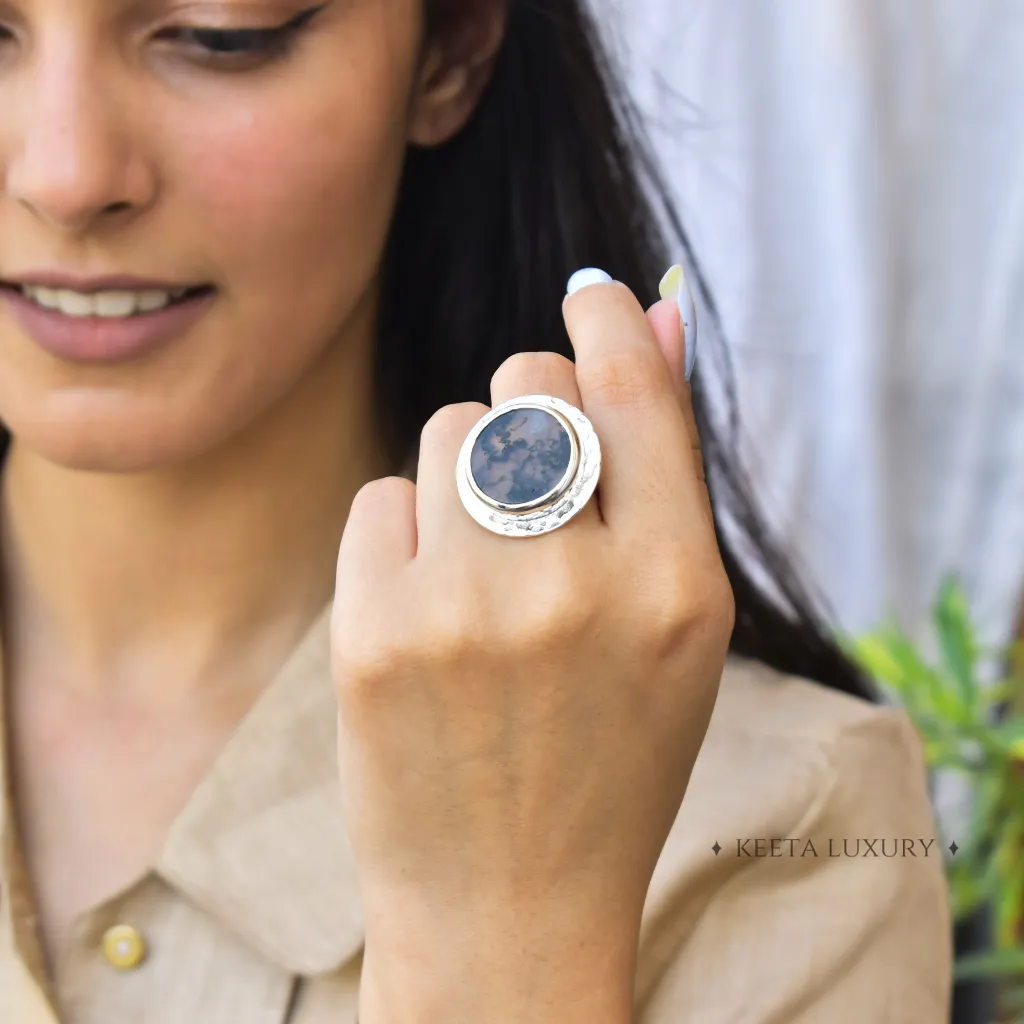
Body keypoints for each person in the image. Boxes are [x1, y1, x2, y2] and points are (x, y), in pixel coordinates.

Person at [0, 2, 950, 1022]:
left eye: (223, 33)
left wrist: (505, 941)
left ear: (448, 53)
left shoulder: (784, 831)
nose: (67, 176)